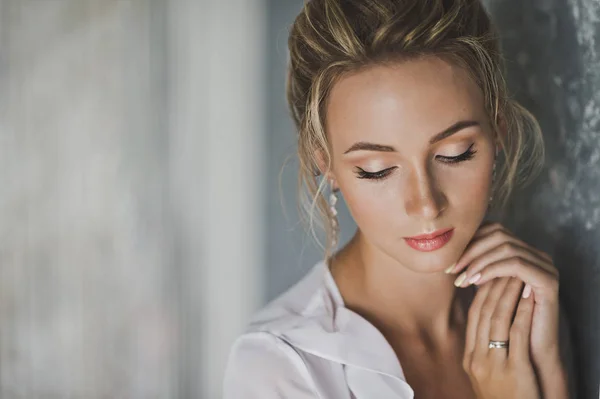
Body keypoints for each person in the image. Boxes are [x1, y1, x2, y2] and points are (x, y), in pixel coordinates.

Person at [223, 0, 577, 397]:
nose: (426, 204)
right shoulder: (279, 368)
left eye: (456, 153)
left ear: (499, 133)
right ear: (326, 164)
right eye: (377, 169)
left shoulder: (524, 308)